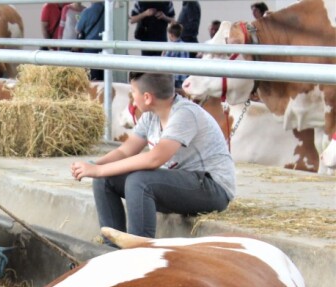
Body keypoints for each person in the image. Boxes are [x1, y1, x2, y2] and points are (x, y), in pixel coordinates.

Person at [70, 72, 235, 241]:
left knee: (139, 182)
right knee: (105, 179)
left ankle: (139, 250)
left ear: (147, 97)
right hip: (184, 184)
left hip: (213, 188)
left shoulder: (184, 114)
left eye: (133, 92)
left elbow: (154, 159)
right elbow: (125, 151)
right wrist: (94, 166)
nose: (132, 97)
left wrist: (98, 169)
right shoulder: (150, 116)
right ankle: (111, 247)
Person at [75, 1, 106, 80]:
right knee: (102, 76)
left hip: (89, 47)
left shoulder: (87, 12)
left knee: (91, 76)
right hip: (104, 47)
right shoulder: (107, 11)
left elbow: (78, 29)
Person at [162, 23, 190, 87]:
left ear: (171, 34)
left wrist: (163, 53)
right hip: (183, 76)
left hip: (174, 77)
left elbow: (165, 61)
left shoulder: (170, 47)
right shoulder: (185, 45)